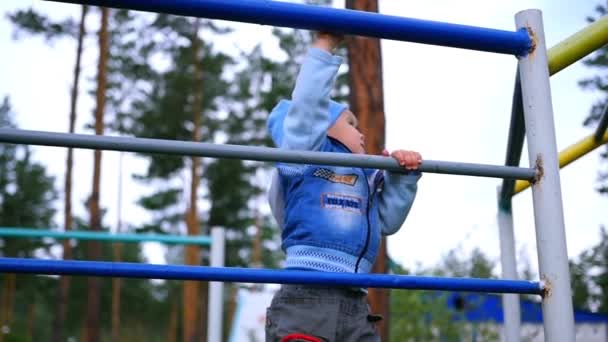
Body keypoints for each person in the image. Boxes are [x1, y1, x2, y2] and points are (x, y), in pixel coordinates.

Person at [265, 32, 422, 342]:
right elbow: (308, 106)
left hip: (355, 301)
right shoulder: (305, 155)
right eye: (350, 123)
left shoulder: (366, 174)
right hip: (307, 295)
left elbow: (388, 221)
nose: (361, 132)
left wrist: (403, 177)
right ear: (320, 127)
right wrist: (324, 45)